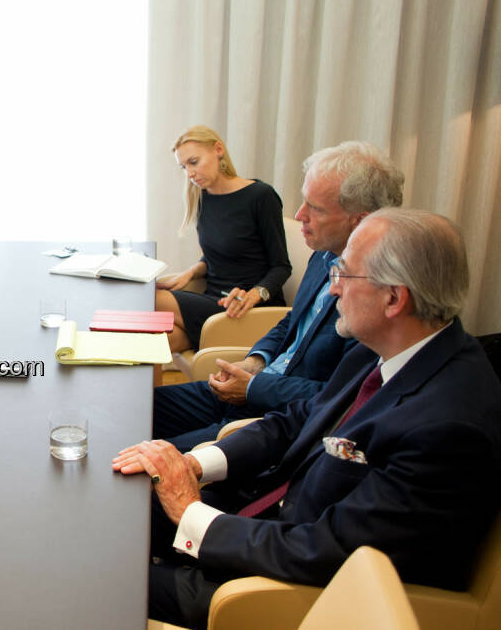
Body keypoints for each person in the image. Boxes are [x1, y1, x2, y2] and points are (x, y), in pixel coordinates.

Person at [114, 208, 501, 629]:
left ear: (393, 298)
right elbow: (294, 421)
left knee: (102, 573)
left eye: (345, 276)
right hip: (264, 520)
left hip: (287, 586)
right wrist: (195, 463)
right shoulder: (383, 349)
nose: (333, 291)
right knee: (116, 509)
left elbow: (329, 550)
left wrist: (190, 512)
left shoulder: (448, 428)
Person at [154, 141, 404, 449]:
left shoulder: (375, 296)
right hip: (250, 389)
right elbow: (291, 322)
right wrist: (256, 361)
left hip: (275, 418)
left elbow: (339, 397)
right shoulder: (324, 255)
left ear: (359, 220)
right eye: (304, 202)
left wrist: (256, 387)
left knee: (141, 457)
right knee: (134, 410)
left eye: (316, 208)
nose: (299, 215)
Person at [157, 126, 291, 353]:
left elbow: (281, 266)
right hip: (216, 301)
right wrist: (191, 272)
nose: (189, 173)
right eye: (183, 167)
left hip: (248, 308)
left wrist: (254, 295)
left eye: (194, 162)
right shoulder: (203, 198)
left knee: (150, 300)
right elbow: (218, 255)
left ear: (218, 150)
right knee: (162, 341)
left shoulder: (260, 196)